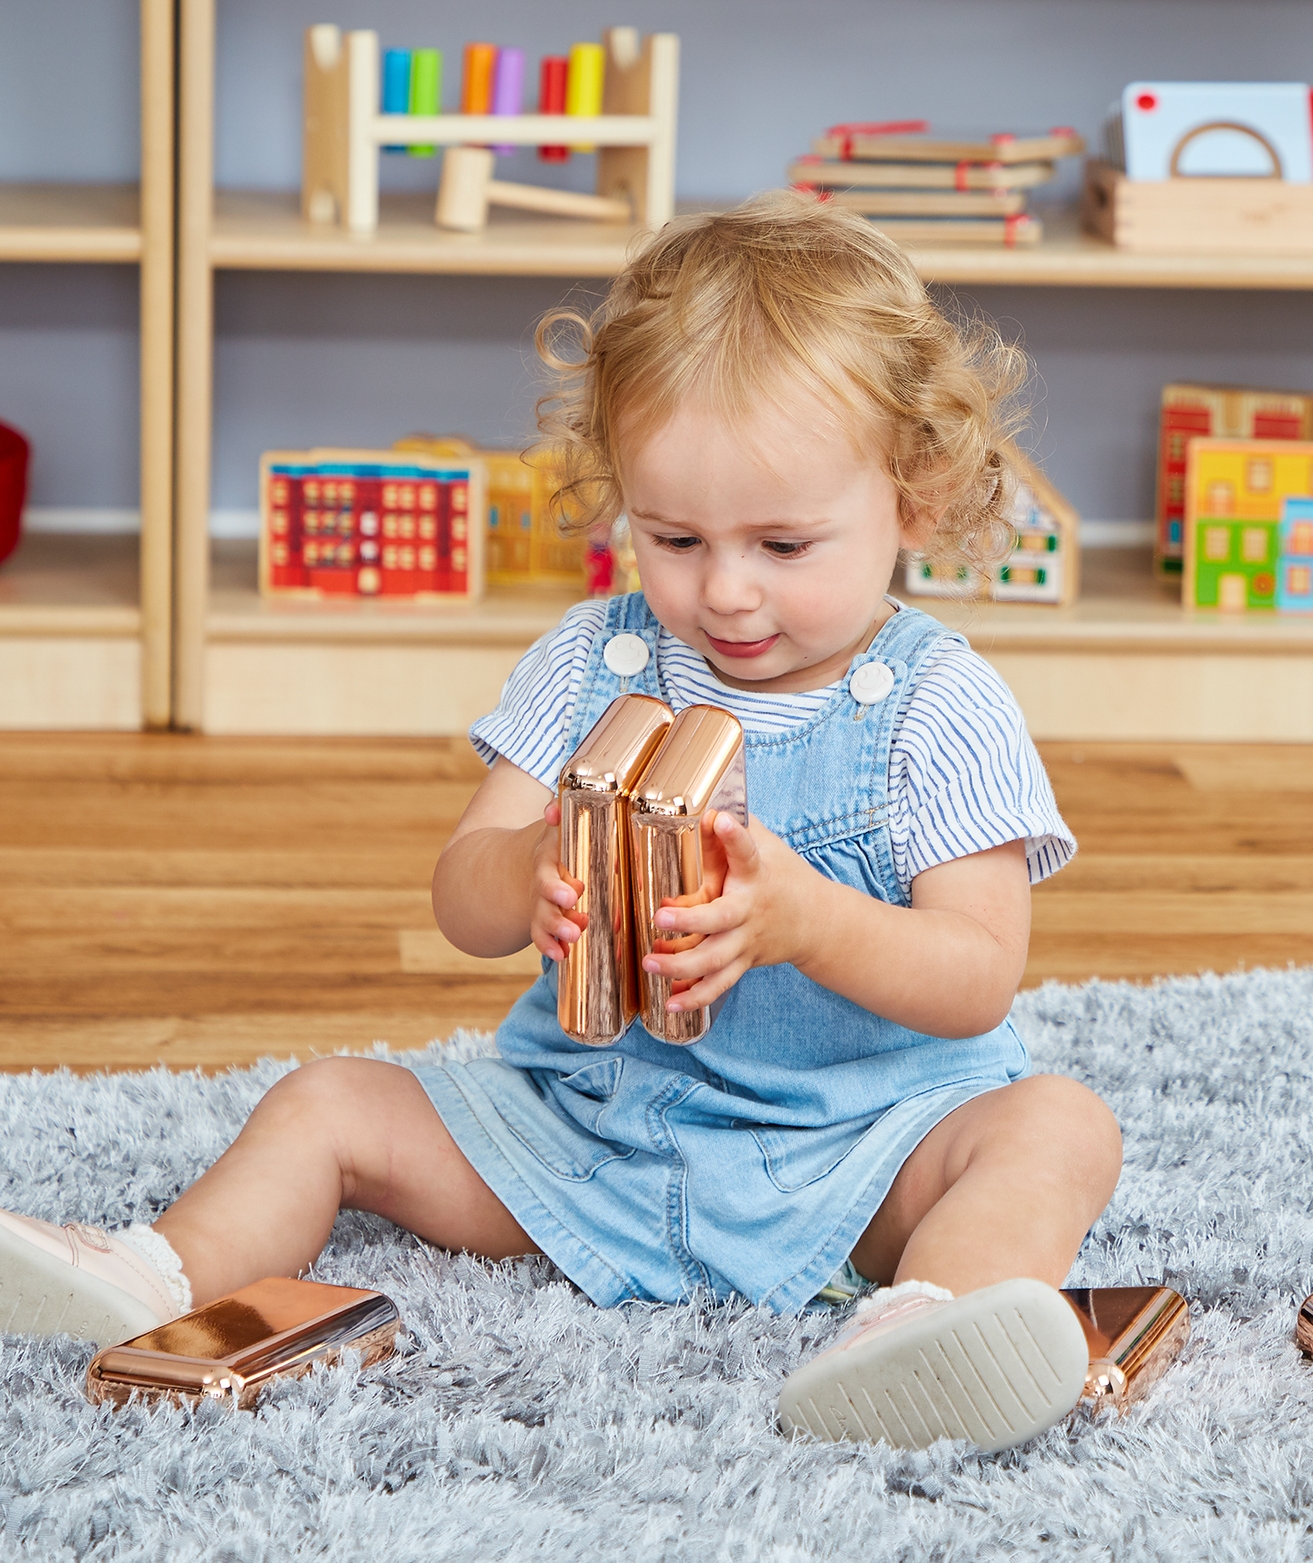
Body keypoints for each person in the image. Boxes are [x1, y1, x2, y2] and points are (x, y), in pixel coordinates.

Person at [0, 195, 1121, 1454]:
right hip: (590, 1129)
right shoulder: (596, 657)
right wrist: (529, 865)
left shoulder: (940, 701)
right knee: (325, 1101)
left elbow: (976, 978)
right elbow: (461, 897)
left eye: (785, 542)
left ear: (913, 499)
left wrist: (808, 918)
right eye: (675, 536)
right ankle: (156, 1266)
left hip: (856, 1154)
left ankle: (920, 1322)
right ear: (622, 499)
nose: (728, 588)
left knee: (1056, 1126)